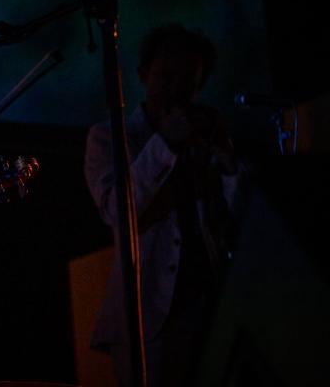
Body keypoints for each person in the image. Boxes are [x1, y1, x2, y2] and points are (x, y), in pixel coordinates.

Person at [84, 24, 244, 387]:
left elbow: (239, 218)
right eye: (165, 76)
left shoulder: (208, 134)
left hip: (211, 306)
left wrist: (228, 161)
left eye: (188, 79)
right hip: (148, 317)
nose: (176, 90)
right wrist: (165, 144)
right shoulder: (109, 137)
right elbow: (116, 212)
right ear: (143, 75)